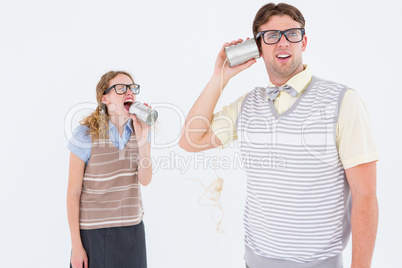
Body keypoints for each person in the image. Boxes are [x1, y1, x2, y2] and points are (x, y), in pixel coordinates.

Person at [179, 3, 378, 268]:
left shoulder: (342, 101)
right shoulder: (248, 104)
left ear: (303, 41)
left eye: (291, 34)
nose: (283, 43)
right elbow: (190, 140)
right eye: (271, 36)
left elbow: (365, 195)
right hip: (255, 261)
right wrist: (220, 77)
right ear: (258, 48)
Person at [67, 71, 152, 268]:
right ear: (104, 98)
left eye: (132, 88)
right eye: (120, 88)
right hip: (94, 233)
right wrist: (76, 246)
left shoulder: (140, 130)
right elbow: (73, 193)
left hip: (133, 231)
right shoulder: (85, 134)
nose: (128, 92)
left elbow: (145, 180)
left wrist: (143, 139)